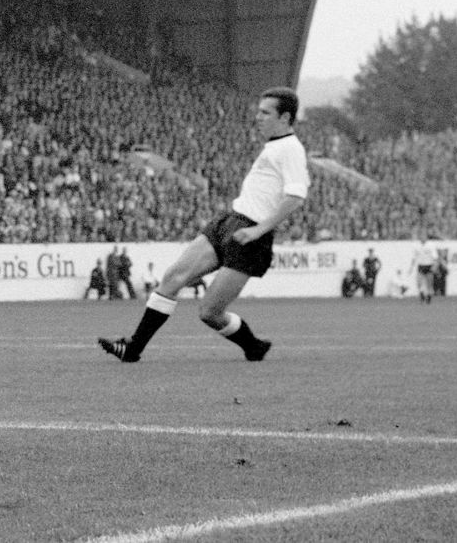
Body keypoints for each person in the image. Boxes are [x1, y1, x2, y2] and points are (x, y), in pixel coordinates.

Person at [98, 87, 309, 363]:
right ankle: (132, 349)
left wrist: (259, 230)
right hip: (229, 222)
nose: (257, 117)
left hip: (250, 235)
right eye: (258, 111)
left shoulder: (290, 149)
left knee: (209, 312)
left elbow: (296, 196)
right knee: (173, 277)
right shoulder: (274, 146)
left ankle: (253, 346)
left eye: (265, 112)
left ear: (285, 117)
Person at [411, 235, 436, 304]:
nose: (422, 238)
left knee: (429, 284)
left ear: (426, 238)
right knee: (419, 282)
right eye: (421, 236)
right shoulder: (416, 246)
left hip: (429, 265)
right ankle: (422, 294)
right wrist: (411, 267)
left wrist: (434, 266)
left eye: (424, 236)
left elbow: (435, 256)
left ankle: (428, 296)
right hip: (421, 266)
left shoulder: (431, 245)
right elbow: (414, 257)